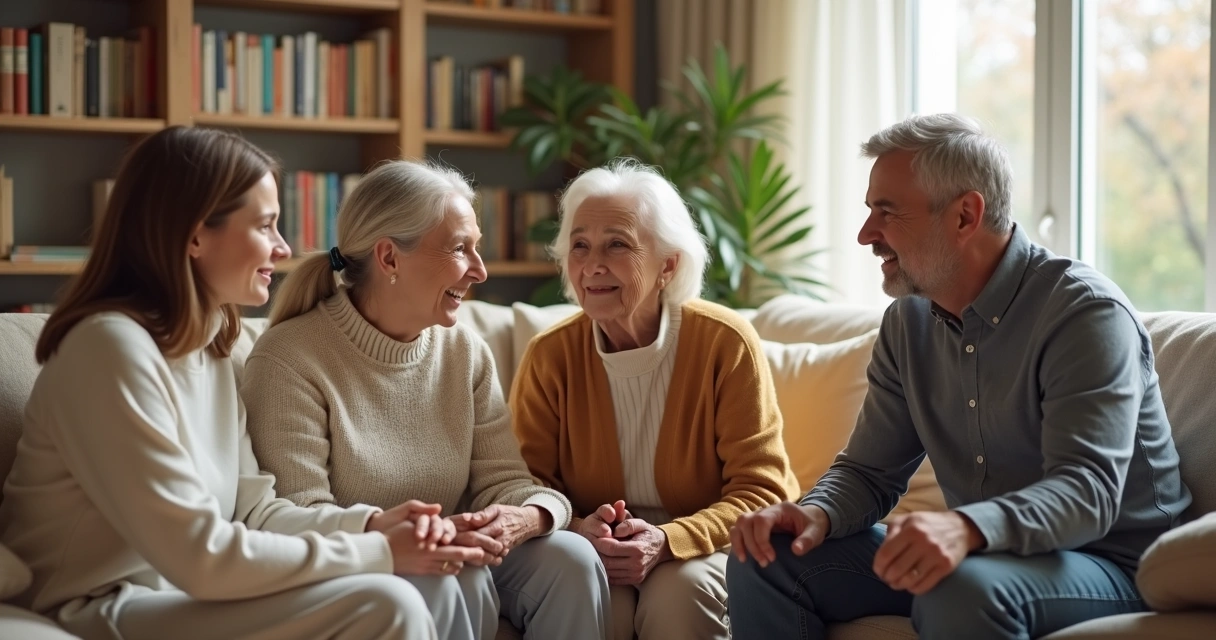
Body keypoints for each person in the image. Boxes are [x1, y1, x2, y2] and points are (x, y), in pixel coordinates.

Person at [0, 126, 487, 640]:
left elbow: (254, 511)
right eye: (266, 226)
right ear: (193, 235)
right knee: (386, 602)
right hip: (93, 606)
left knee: (413, 585)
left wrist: (372, 525)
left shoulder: (210, 351)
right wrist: (380, 552)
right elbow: (199, 554)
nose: (282, 248)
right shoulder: (109, 351)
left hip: (174, 596)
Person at [725, 113, 1193, 639]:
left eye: (887, 211)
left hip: (1111, 564)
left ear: (966, 215)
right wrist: (815, 515)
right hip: (980, 555)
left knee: (960, 587)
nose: (865, 235)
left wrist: (965, 527)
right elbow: (868, 473)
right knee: (766, 556)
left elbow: (1087, 493)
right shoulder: (908, 323)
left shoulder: (1084, 314)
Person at [240, 159, 612, 640]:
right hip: (355, 566)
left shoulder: (465, 352)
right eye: (460, 249)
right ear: (390, 258)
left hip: (449, 551)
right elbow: (298, 516)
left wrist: (531, 515)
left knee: (572, 558)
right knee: (452, 574)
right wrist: (419, 539)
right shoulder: (290, 359)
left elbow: (504, 480)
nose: (479, 270)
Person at [510, 159, 801, 640]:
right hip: (597, 550)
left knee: (678, 595)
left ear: (668, 265)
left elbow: (763, 491)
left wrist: (669, 540)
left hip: (707, 546)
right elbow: (527, 483)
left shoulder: (724, 343)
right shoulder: (551, 355)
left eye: (617, 245)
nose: (593, 265)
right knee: (600, 599)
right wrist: (581, 529)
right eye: (579, 246)